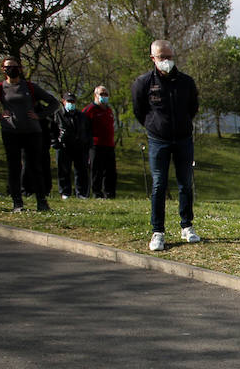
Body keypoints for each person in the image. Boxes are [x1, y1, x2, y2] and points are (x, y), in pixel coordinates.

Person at [131, 39, 200, 251]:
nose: (166, 61)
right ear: (153, 58)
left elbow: (193, 107)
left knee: (185, 183)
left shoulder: (186, 82)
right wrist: (154, 126)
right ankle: (158, 231)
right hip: (158, 140)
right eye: (162, 57)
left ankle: (186, 225)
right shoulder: (143, 83)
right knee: (159, 184)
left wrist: (183, 124)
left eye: (169, 56)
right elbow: (139, 110)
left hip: (183, 139)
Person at [0, 57, 57, 212]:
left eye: (14, 66)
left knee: (35, 167)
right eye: (8, 67)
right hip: (10, 132)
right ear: (3, 69)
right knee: (14, 168)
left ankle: (42, 202)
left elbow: (53, 103)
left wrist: (40, 115)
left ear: (20, 69)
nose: (11, 69)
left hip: (32, 132)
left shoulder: (30, 87)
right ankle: (17, 203)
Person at [50, 93, 92, 199]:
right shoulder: (58, 114)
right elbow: (52, 130)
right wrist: (55, 142)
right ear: (63, 101)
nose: (71, 103)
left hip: (79, 147)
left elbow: (87, 130)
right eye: (69, 101)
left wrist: (87, 143)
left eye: (73, 101)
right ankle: (65, 192)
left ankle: (81, 193)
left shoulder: (81, 115)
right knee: (64, 170)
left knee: (81, 171)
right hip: (64, 147)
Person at [82, 85, 117, 198]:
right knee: (97, 170)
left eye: (106, 94)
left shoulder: (109, 110)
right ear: (95, 95)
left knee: (110, 171)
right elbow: (83, 128)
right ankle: (97, 193)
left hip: (109, 145)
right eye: (102, 94)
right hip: (95, 145)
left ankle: (109, 193)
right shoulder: (89, 110)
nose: (104, 96)